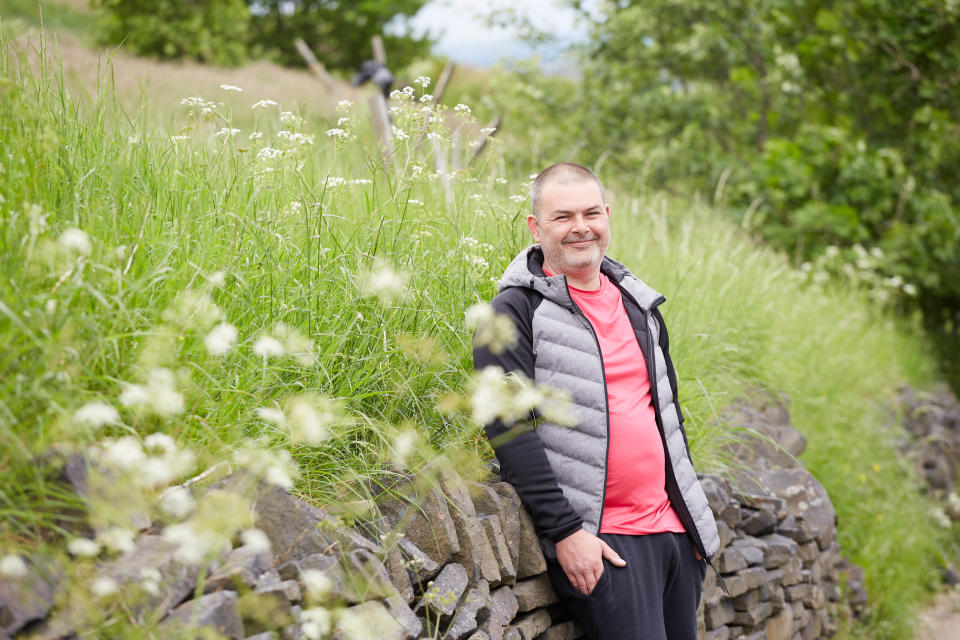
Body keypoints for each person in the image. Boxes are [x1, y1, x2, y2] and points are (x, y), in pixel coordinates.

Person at [472, 163, 721, 640]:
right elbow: (507, 428)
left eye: (591, 212)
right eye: (563, 216)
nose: (580, 227)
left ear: (607, 216)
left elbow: (667, 415)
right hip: (602, 541)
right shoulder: (511, 312)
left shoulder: (638, 303)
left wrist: (691, 523)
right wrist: (566, 532)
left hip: (672, 533)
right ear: (535, 226)